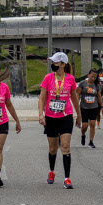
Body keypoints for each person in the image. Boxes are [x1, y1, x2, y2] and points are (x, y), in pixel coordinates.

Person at [37, 52, 80, 188]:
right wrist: (40, 114)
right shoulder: (48, 78)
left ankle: (67, 178)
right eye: (52, 62)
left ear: (63, 64)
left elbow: (74, 98)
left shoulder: (70, 79)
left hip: (66, 116)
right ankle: (51, 171)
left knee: (66, 147)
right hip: (50, 117)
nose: (53, 64)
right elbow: (42, 98)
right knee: (53, 148)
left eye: (55, 62)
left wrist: (79, 115)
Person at [78, 68, 103, 148]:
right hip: (84, 107)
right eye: (92, 76)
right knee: (84, 125)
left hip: (94, 107)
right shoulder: (82, 84)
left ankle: (91, 141)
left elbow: (99, 96)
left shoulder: (96, 86)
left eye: (95, 77)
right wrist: (76, 105)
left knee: (92, 124)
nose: (93, 78)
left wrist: (102, 106)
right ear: (88, 75)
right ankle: (83, 134)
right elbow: (77, 94)